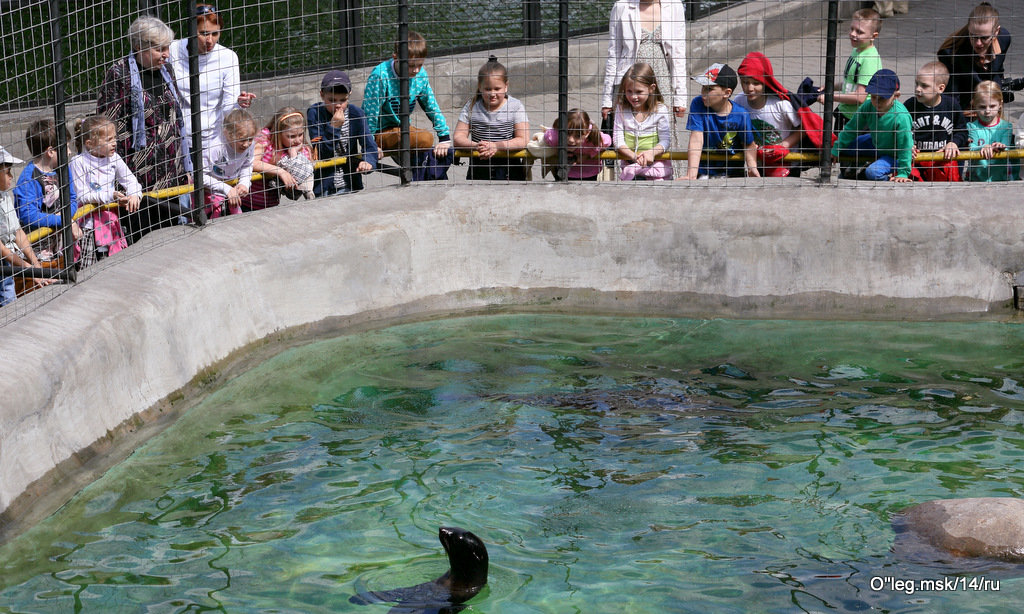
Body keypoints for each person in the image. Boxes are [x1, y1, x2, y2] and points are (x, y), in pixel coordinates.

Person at [96, 15, 188, 243]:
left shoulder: (166, 71)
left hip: (171, 172)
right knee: (143, 239)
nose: (166, 54)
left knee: (173, 236)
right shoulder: (119, 74)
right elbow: (107, 124)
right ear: (139, 47)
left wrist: (185, 164)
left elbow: (176, 118)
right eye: (159, 49)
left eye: (167, 48)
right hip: (137, 176)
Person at [602, 0, 687, 175]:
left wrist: (680, 96)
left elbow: (679, 52)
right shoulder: (622, 6)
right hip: (630, 79)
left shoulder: (674, 5)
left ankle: (666, 177)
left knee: (663, 128)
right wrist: (607, 99)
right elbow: (613, 53)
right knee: (628, 127)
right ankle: (629, 175)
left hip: (661, 78)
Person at [362, 31, 452, 181]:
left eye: (420, 65)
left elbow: (431, 106)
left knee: (427, 152)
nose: (416, 70)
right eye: (410, 66)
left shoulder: (420, 75)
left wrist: (444, 137)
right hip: (380, 132)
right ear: (395, 58)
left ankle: (426, 179)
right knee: (426, 139)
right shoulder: (380, 75)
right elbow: (370, 114)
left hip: (403, 128)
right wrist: (370, 146)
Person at [170, 4, 255, 154]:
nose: (210, 40)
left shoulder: (228, 58)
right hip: (176, 135)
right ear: (191, 30)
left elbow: (229, 107)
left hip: (212, 139)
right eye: (204, 33)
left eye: (215, 34)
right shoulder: (173, 50)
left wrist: (239, 102)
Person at [70, 115, 139, 263]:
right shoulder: (78, 162)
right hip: (87, 226)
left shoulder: (114, 159)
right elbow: (82, 195)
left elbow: (131, 180)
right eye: (109, 140)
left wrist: (134, 195)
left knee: (114, 264)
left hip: (110, 222)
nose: (114, 143)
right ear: (90, 144)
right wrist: (111, 195)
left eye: (114, 138)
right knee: (88, 268)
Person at [14, 117, 81, 262]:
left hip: (61, 247)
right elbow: (28, 216)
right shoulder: (29, 178)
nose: (69, 152)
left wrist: (67, 216)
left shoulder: (63, 170)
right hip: (37, 252)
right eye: (65, 148)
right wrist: (62, 220)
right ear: (50, 151)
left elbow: (72, 198)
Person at [452, 56, 531, 181]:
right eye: (487, 89)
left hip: (510, 170)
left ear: (506, 86)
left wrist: (496, 146)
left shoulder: (516, 106)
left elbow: (524, 139)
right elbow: (458, 138)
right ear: (480, 87)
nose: (492, 94)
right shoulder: (471, 106)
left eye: (497, 89)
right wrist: (477, 146)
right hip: (479, 169)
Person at [830, 69, 913, 182]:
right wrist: (837, 147)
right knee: (842, 147)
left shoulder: (901, 117)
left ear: (896, 96)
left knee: (873, 172)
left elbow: (905, 146)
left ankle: (888, 182)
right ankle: (854, 168)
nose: (877, 102)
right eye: (874, 97)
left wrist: (903, 173)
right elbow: (852, 128)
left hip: (894, 154)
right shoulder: (868, 106)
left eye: (882, 98)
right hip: (875, 143)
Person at [307, 70, 377, 196]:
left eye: (343, 100)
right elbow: (321, 152)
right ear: (322, 95)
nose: (338, 106)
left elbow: (369, 145)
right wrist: (334, 127)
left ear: (349, 95)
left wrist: (368, 161)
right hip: (323, 185)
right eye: (332, 100)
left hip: (350, 183)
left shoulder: (356, 114)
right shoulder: (315, 113)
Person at [684, 63, 758, 180]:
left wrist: (752, 168)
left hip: (732, 174)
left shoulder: (741, 115)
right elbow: (696, 139)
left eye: (709, 89)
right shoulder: (698, 104)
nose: (703, 93)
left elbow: (748, 144)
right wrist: (691, 174)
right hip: (705, 172)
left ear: (727, 93)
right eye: (703, 87)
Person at [734, 52, 802, 178]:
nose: (750, 88)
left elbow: (803, 128)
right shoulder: (739, 101)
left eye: (756, 83)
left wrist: (784, 145)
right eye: (745, 82)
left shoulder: (781, 104)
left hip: (787, 163)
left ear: (765, 82)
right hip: (759, 163)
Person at [937, 2, 1012, 112]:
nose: (978, 43)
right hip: (964, 105)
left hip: (990, 104)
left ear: (996, 32)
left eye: (984, 38)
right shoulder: (952, 54)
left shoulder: (1004, 39)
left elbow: (998, 70)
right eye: (973, 36)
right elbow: (952, 96)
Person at [818, 8, 883, 133]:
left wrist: (830, 97)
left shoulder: (869, 59)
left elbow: (860, 97)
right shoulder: (857, 51)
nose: (853, 34)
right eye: (852, 29)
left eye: (859, 32)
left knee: (849, 151)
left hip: (859, 120)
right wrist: (831, 87)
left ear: (873, 36)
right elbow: (851, 82)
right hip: (846, 114)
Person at [0, 146, 51, 304]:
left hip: (7, 266)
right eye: (7, 171)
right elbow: (2, 250)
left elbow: (18, 233)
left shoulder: (4, 196)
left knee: (10, 299)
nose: (11, 176)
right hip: (4, 261)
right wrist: (28, 268)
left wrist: (35, 265)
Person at [242, 107, 315, 210]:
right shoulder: (265, 139)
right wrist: (281, 172)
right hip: (247, 202)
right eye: (291, 136)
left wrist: (293, 153)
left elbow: (304, 171)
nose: (298, 140)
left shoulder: (300, 149)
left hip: (271, 205)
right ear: (278, 133)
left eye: (300, 134)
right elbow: (252, 162)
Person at [905, 61, 967, 182]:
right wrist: (906, 145)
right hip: (917, 161)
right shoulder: (910, 105)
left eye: (924, 86)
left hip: (942, 161)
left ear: (941, 88)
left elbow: (962, 131)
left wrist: (954, 142)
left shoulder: (951, 105)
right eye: (916, 84)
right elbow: (900, 130)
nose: (918, 89)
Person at [613, 63, 672, 180]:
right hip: (630, 164)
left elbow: (665, 140)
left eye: (639, 92)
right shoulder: (621, 109)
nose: (633, 96)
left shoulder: (660, 110)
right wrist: (633, 156)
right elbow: (617, 138)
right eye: (629, 91)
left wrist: (651, 153)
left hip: (655, 165)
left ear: (651, 88)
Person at [201, 109, 256, 218]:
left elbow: (247, 165)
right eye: (242, 140)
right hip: (209, 195)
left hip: (232, 194)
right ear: (227, 134)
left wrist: (244, 182)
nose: (246, 144)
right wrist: (225, 188)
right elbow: (200, 175)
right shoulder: (216, 147)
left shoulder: (251, 145)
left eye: (250, 139)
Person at [964, 80, 1018, 182]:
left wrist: (1000, 146)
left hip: (1000, 179)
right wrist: (983, 147)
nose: (987, 111)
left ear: (1000, 104)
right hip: (976, 179)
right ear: (974, 105)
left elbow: (1005, 146)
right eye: (982, 107)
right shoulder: (971, 126)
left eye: (992, 106)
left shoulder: (1006, 126)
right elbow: (971, 148)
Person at [542, 109, 612, 181]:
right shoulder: (555, 136)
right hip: (563, 172)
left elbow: (608, 141)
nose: (571, 140)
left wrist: (589, 154)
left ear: (587, 133)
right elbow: (547, 135)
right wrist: (557, 151)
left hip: (588, 173)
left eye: (578, 136)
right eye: (568, 133)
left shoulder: (594, 138)